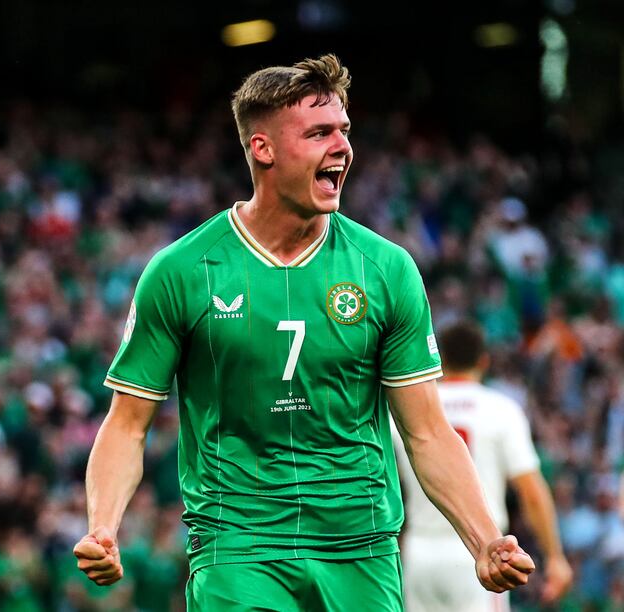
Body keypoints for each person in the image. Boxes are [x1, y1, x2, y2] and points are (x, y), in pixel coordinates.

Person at [73, 54, 535, 610]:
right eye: (319, 133)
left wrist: (484, 540)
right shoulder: (182, 272)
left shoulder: (385, 269)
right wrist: (103, 526)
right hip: (238, 547)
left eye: (344, 131)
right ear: (262, 149)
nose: (342, 148)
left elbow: (427, 431)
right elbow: (126, 425)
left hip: (360, 549)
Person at [396, 321, 573, 611]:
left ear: (439, 359)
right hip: (481, 549)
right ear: (484, 361)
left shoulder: (409, 411)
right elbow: (530, 492)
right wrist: (555, 556)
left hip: (419, 550)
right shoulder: (500, 410)